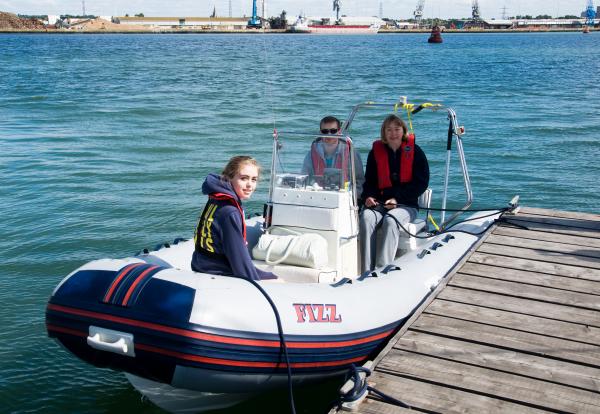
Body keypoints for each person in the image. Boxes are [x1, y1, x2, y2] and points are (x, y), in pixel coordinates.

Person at [359, 114, 430, 272]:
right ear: (383, 132)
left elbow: (421, 183)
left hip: (406, 205)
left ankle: (382, 270)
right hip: (380, 203)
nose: (393, 133)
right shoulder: (375, 153)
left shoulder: (416, 152)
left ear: (403, 131)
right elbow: (369, 181)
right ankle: (366, 271)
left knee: (391, 220)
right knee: (366, 217)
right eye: (388, 130)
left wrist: (397, 199)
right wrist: (368, 197)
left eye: (397, 129)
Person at [192, 156, 277, 281]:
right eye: (244, 178)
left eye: (254, 180)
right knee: (278, 279)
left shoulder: (216, 199)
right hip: (220, 274)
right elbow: (240, 265)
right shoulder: (230, 212)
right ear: (228, 178)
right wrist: (267, 281)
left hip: (201, 265)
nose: (249, 185)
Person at [301, 116, 364, 192]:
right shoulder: (311, 154)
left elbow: (359, 181)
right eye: (325, 131)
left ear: (339, 131)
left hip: (344, 197)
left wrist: (352, 197)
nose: (329, 134)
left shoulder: (352, 154)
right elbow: (304, 178)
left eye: (333, 131)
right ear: (320, 132)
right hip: (318, 195)